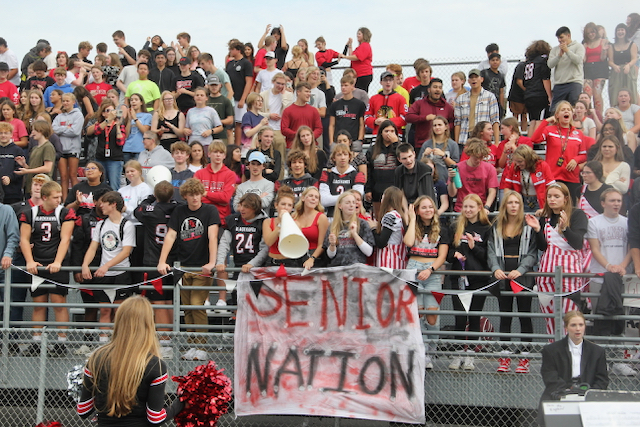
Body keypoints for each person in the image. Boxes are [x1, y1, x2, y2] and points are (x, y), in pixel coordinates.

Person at [77, 296, 184, 424]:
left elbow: (83, 410)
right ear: (149, 324)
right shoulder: (155, 365)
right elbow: (155, 418)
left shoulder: (96, 358)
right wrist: (182, 402)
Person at [157, 178, 220, 358]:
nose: (194, 198)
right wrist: (162, 261)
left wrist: (212, 262)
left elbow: (212, 237)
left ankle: (201, 346)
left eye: (197, 194)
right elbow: (170, 236)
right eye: (191, 195)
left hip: (202, 267)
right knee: (187, 307)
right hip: (182, 266)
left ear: (202, 194)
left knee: (196, 305)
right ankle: (191, 344)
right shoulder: (179, 211)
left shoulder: (210, 210)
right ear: (185, 196)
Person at [19, 181, 75, 357]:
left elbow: (65, 239)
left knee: (59, 303)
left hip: (57, 264)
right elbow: (24, 239)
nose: (59, 199)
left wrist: (57, 262)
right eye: (55, 197)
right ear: (44, 198)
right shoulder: (30, 213)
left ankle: (61, 344)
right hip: (39, 263)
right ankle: (36, 343)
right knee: (39, 304)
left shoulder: (65, 212)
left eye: (60, 196)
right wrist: (29, 260)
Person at [586, 188, 636, 376]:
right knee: (600, 319)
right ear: (603, 203)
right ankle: (602, 361)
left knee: (619, 319)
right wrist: (608, 265)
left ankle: (617, 361)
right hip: (599, 276)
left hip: (622, 275)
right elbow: (594, 248)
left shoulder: (627, 222)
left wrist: (621, 266)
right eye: (612, 200)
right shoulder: (594, 222)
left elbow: (632, 246)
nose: (616, 204)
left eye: (619, 200)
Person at [527, 182, 588, 336]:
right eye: (549, 196)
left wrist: (565, 228)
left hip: (569, 273)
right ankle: (554, 349)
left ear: (566, 198)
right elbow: (542, 247)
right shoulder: (544, 217)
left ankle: (571, 351)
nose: (552, 200)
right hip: (546, 273)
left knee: (569, 317)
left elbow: (577, 243)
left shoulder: (577, 215)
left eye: (556, 196)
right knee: (550, 317)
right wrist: (537, 230)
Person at [488, 191, 537, 373]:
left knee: (525, 316)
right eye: (510, 203)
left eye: (517, 202)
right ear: (505, 206)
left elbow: (533, 253)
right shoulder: (497, 226)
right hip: (502, 277)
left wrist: (520, 270)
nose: (514, 206)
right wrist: (496, 269)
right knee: (505, 316)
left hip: (522, 278)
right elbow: (491, 251)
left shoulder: (528, 225)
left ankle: (525, 357)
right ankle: (505, 355)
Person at [81, 191, 136, 337]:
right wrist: (85, 264)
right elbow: (93, 247)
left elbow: (126, 252)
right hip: (104, 274)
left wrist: (107, 266)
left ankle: (120, 344)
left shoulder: (127, 225)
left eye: (104, 202)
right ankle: (103, 344)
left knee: (119, 311)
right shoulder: (101, 224)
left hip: (121, 273)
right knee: (104, 310)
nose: (100, 205)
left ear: (113, 204)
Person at [447, 193, 492, 371]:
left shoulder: (486, 227)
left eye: (471, 207)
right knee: (460, 315)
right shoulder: (455, 226)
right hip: (458, 277)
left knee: (474, 315)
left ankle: (470, 355)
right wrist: (454, 255)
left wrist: (474, 247)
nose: (468, 210)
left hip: (478, 278)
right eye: (465, 207)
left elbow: (488, 257)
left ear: (479, 208)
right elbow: (446, 250)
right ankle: (458, 353)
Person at [539, 311, 608, 426]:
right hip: (558, 395)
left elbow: (602, 379)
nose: (578, 329)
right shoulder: (551, 350)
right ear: (566, 327)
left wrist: (589, 393)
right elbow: (549, 375)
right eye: (573, 325)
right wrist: (568, 391)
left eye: (581, 325)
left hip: (587, 397)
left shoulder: (597, 351)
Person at [404, 195, 449, 369]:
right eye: (424, 207)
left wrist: (430, 270)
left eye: (431, 207)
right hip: (413, 270)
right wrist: (412, 219)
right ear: (417, 210)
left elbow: (442, 256)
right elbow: (408, 242)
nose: (428, 210)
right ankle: (420, 352)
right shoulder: (413, 225)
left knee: (432, 314)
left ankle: (431, 352)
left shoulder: (442, 229)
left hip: (432, 273)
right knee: (418, 314)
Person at [133, 182, 178, 355]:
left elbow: (138, 210)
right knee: (168, 301)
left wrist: (152, 198)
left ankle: (165, 342)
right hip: (173, 260)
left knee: (158, 303)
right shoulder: (178, 209)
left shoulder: (151, 210)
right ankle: (170, 338)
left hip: (154, 261)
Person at [216, 193, 268, 301]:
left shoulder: (263, 222)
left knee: (255, 301)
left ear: (255, 208)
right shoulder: (233, 220)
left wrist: (252, 264)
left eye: (246, 206)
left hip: (257, 270)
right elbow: (224, 242)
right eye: (241, 205)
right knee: (237, 299)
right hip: (238, 267)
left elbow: (265, 248)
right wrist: (220, 261)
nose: (242, 209)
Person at [531, 101, 587, 201]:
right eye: (563, 110)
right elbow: (535, 139)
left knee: (571, 209)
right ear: (557, 115)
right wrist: (546, 121)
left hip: (572, 177)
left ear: (572, 114)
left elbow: (583, 155)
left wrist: (576, 160)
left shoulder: (578, 133)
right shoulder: (550, 130)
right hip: (553, 176)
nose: (566, 111)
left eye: (568, 110)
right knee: (554, 207)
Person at [325, 190, 374, 266]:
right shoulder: (333, 225)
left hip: (357, 268)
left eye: (353, 202)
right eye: (348, 203)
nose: (351, 205)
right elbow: (330, 255)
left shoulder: (363, 224)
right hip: (338, 268)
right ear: (340, 206)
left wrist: (354, 234)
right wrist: (332, 244)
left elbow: (369, 252)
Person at [447, 138, 498, 213]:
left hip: (480, 209)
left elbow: (492, 191)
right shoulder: (458, 167)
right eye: (476, 157)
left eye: (481, 157)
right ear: (470, 154)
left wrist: (486, 207)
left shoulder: (490, 168)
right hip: (462, 209)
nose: (478, 160)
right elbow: (452, 193)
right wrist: (451, 180)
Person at [500, 145, 555, 212]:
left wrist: (548, 206)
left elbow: (551, 187)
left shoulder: (542, 165)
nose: (517, 164)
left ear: (528, 159)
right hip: (521, 199)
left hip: (539, 200)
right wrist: (509, 200)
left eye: (520, 161)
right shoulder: (514, 167)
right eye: (516, 161)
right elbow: (507, 186)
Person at [194, 141, 236, 228]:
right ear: (209, 154)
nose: (218, 155)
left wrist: (205, 193)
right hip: (201, 218)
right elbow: (196, 197)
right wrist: (217, 199)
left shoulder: (230, 174)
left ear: (224, 156)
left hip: (221, 220)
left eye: (221, 153)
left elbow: (225, 198)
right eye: (215, 152)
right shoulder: (199, 174)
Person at [454, 69, 500, 148]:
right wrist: (456, 143)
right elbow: (458, 122)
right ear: (468, 81)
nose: (474, 79)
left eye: (476, 77)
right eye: (471, 77)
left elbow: (495, 120)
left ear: (481, 79)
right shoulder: (460, 99)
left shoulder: (490, 96)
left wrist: (496, 142)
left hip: (483, 137)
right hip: (465, 138)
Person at [406, 78, 455, 151]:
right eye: (435, 87)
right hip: (422, 144)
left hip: (442, 144)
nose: (437, 89)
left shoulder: (447, 107)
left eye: (440, 87)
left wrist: (444, 127)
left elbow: (453, 122)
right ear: (429, 90)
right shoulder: (419, 104)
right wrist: (425, 118)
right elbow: (408, 117)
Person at [365, 120, 400, 220]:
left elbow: (403, 163)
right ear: (381, 133)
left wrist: (396, 144)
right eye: (386, 131)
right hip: (377, 189)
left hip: (394, 189)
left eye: (392, 131)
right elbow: (369, 171)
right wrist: (368, 189)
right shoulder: (372, 149)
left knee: (394, 218)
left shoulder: (400, 148)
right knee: (379, 218)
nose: (389, 134)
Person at [87, 100, 126, 190]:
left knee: (114, 185)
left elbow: (120, 142)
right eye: (108, 111)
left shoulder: (119, 124)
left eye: (112, 110)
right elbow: (96, 131)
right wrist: (107, 120)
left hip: (115, 159)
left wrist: (117, 126)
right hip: (101, 158)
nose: (111, 113)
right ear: (103, 113)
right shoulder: (100, 124)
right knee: (100, 185)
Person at [319, 143, 365, 217]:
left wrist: (334, 199)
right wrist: (347, 199)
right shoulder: (327, 175)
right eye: (339, 155)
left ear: (349, 157)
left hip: (351, 216)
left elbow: (356, 199)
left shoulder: (357, 175)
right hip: (332, 216)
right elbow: (323, 200)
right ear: (334, 158)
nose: (342, 157)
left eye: (345, 154)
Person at [548, 26, 586, 111]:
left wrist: (567, 51)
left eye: (561, 37)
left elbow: (578, 60)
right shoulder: (555, 50)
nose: (559, 40)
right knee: (555, 110)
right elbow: (550, 64)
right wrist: (559, 56)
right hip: (559, 83)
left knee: (573, 108)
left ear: (568, 36)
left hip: (574, 82)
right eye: (558, 38)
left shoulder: (578, 46)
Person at [292, 186, 328, 270]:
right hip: (296, 256)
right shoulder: (294, 216)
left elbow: (322, 244)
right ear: (303, 198)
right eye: (311, 196)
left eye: (316, 197)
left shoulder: (321, 217)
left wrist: (312, 258)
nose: (313, 199)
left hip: (315, 258)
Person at [15, 120, 55, 195]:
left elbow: (47, 168)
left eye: (34, 130)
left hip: (42, 187)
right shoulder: (35, 148)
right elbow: (35, 168)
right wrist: (24, 165)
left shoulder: (48, 146)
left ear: (41, 130)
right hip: (31, 185)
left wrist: (27, 171)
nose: (32, 133)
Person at [372, 186, 407, 269]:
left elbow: (381, 242)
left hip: (388, 262)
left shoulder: (390, 216)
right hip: (398, 261)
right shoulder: (399, 215)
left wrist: (373, 228)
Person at [226, 41, 254, 145]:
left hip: (239, 98)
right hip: (230, 98)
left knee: (238, 123)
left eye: (232, 49)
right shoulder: (229, 64)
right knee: (229, 122)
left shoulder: (246, 63)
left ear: (238, 50)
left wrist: (243, 98)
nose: (230, 51)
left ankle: (237, 146)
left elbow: (249, 82)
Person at [364, 71, 407, 137]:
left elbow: (405, 118)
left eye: (390, 80)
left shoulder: (400, 98)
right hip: (377, 134)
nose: (388, 82)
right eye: (385, 80)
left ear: (393, 82)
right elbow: (366, 116)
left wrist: (388, 121)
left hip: (395, 134)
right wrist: (375, 121)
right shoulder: (373, 98)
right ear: (381, 82)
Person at [281, 82, 323, 149]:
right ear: (298, 92)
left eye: (309, 92)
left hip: (311, 147)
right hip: (293, 147)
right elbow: (284, 129)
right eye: (306, 91)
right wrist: (299, 136)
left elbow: (319, 128)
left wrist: (308, 137)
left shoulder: (313, 111)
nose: (309, 94)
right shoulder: (288, 110)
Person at [417, 116, 460, 181]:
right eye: (435, 125)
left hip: (446, 180)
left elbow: (455, 165)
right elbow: (418, 165)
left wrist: (444, 155)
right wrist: (424, 155)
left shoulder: (452, 144)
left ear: (446, 127)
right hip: (429, 180)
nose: (437, 127)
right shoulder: (426, 144)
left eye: (440, 125)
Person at [263, 186, 296, 266]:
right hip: (271, 261)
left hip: (290, 262)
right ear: (276, 205)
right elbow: (269, 242)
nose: (286, 207)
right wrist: (280, 224)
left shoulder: (296, 223)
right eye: (283, 204)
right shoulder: (267, 222)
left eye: (289, 205)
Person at [327, 75, 366, 145]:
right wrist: (331, 141)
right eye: (342, 86)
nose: (343, 88)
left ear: (352, 86)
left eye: (346, 85)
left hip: (354, 139)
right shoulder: (335, 105)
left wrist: (360, 139)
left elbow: (361, 124)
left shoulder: (359, 104)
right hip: (338, 139)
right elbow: (331, 125)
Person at [582, 22, 610, 119]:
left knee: (597, 95)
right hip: (588, 69)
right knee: (587, 94)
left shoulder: (603, 41)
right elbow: (584, 60)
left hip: (600, 69)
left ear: (596, 31)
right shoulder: (585, 44)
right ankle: (588, 116)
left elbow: (603, 58)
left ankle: (598, 117)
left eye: (592, 32)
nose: (591, 35)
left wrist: (604, 50)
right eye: (588, 33)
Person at [607, 23, 638, 107]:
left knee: (631, 92)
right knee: (615, 93)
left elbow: (634, 58)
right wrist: (614, 66)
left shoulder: (632, 44)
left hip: (628, 71)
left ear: (625, 32)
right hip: (616, 72)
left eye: (622, 30)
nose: (620, 32)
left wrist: (629, 65)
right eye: (618, 30)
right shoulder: (612, 46)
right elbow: (610, 61)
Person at [123, 93, 153, 162]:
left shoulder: (147, 116)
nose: (133, 101)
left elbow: (145, 131)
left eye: (136, 100)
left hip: (140, 148)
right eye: (131, 100)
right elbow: (126, 135)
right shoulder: (128, 116)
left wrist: (135, 118)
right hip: (127, 148)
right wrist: (129, 120)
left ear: (141, 102)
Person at [0, 122, 24, 203]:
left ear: (11, 134)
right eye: (0, 133)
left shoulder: (17, 150)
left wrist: (10, 177)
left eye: (6, 133)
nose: (3, 135)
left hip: (13, 192)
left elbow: (20, 168)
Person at [205, 75, 234, 142]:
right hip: (206, 135)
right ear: (208, 86)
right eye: (212, 85)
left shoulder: (225, 100)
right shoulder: (205, 100)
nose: (214, 87)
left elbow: (230, 120)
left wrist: (217, 122)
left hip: (221, 135)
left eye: (216, 85)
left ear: (220, 85)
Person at [480, 53, 506, 119]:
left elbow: (501, 91)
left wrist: (501, 106)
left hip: (496, 102)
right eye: (493, 60)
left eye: (497, 60)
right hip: (485, 101)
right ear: (489, 62)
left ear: (500, 62)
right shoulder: (484, 73)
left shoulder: (501, 75)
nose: (495, 62)